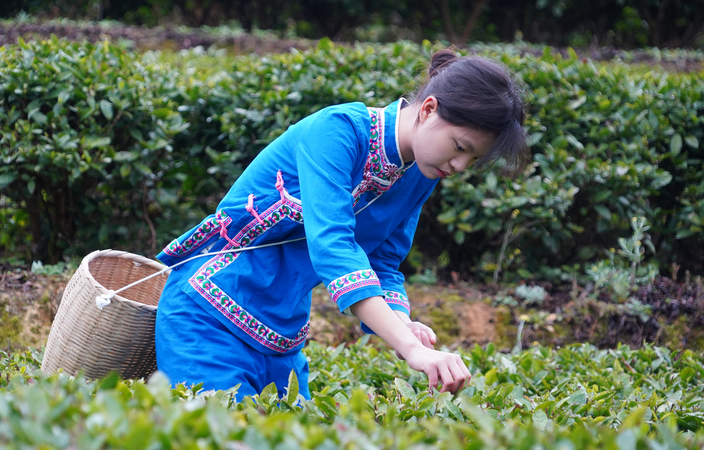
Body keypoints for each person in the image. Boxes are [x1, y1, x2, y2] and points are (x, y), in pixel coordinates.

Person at [154, 49, 530, 401]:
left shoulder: (420, 174)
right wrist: (410, 349)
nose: (459, 167)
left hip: (280, 337)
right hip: (207, 317)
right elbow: (332, 246)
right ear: (429, 109)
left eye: (472, 158)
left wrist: (403, 324)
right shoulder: (338, 132)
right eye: (460, 147)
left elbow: (383, 263)